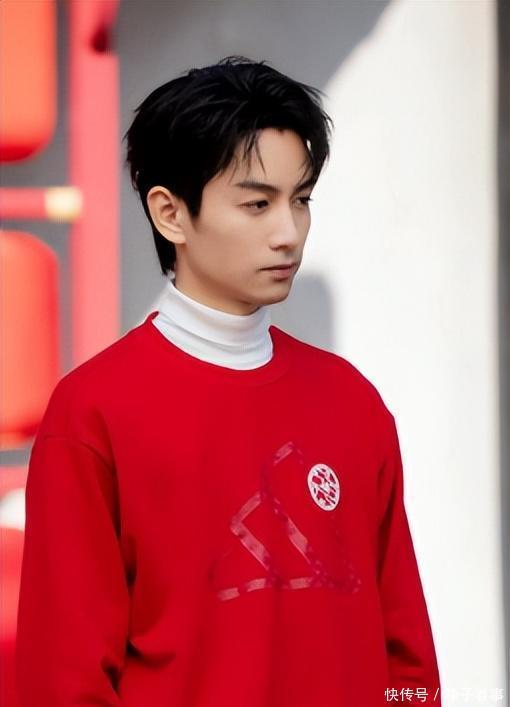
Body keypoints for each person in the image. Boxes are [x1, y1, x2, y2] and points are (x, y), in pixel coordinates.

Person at [15, 55, 442, 706]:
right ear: (170, 214)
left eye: (301, 200)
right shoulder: (94, 413)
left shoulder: (351, 401)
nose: (288, 232)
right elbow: (63, 681)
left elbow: (407, 658)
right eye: (257, 203)